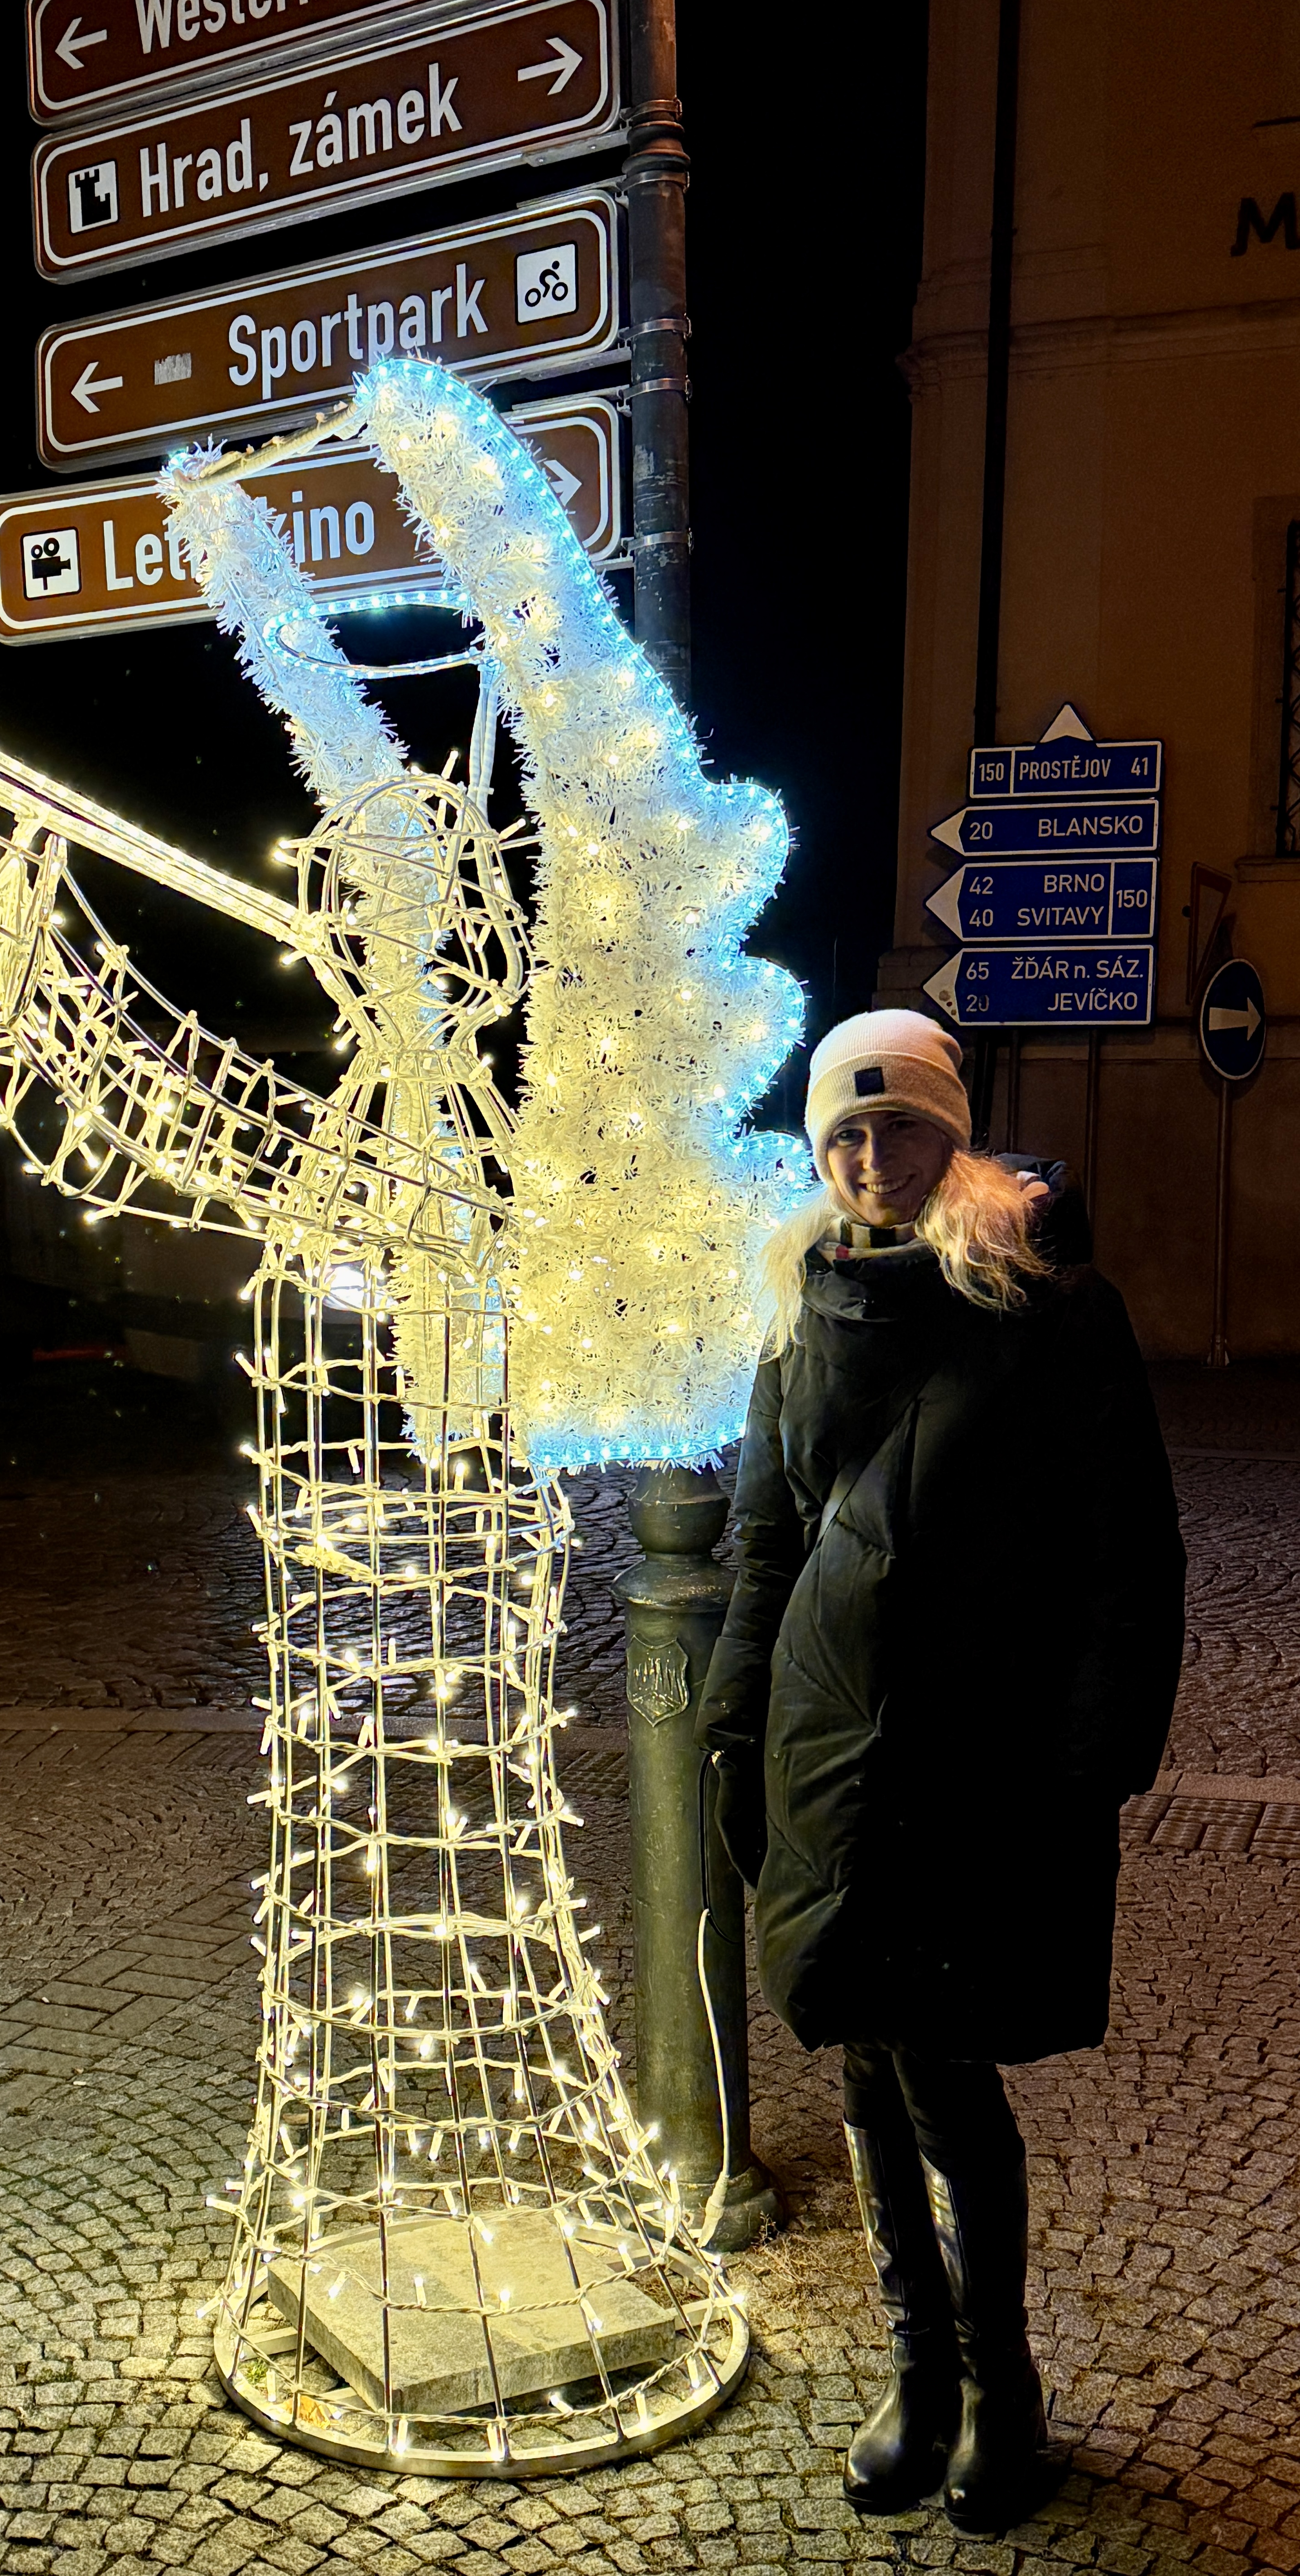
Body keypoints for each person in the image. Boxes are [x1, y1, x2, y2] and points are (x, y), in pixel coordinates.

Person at [696, 1009, 1184, 2536]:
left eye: (896, 1126)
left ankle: (1002, 2388)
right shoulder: (799, 1305)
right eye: (840, 1134)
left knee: (947, 2068)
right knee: (859, 2050)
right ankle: (916, 2375)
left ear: (951, 1132)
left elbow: (1127, 1547)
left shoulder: (1042, 1303)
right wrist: (729, 1727)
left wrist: (1096, 1750)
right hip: (825, 1744)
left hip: (980, 1753)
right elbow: (765, 1542)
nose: (867, 1159)